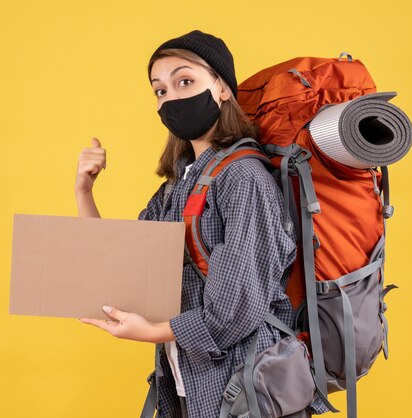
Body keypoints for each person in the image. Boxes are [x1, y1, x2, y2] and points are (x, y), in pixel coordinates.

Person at [76, 30, 309, 418]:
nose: (171, 98)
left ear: (221, 88)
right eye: (160, 90)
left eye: (185, 81)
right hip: (188, 380)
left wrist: (150, 332)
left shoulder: (244, 178)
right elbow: (123, 263)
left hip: (247, 387)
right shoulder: (179, 184)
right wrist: (85, 191)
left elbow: (235, 310)